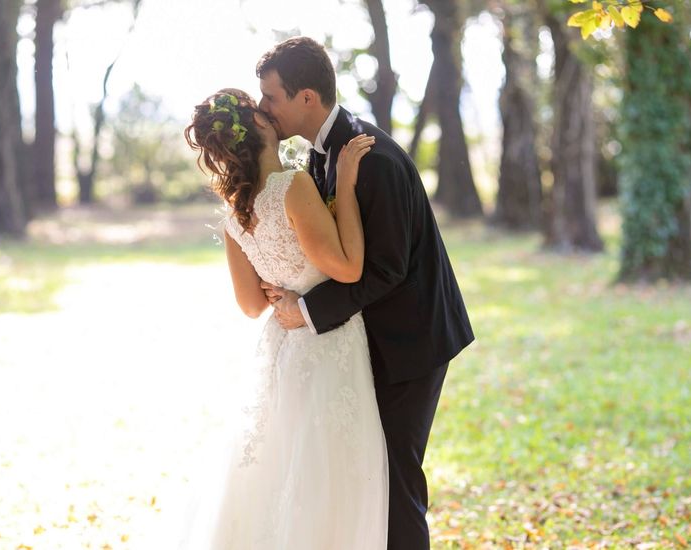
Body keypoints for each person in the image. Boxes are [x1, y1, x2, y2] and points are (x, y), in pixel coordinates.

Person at [256, 37, 474, 550]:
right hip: (370, 338)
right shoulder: (319, 157)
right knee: (369, 475)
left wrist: (306, 310)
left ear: (306, 98)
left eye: (271, 97)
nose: (264, 108)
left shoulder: (371, 159)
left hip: (411, 343)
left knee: (397, 479)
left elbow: (388, 270)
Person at [181, 88, 388, 549]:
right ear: (254, 129)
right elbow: (349, 267)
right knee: (326, 477)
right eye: (260, 109)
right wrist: (347, 185)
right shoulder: (292, 186)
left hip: (281, 349)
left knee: (280, 470)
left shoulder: (235, 214)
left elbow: (252, 306)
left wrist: (284, 293)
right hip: (328, 346)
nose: (268, 110)